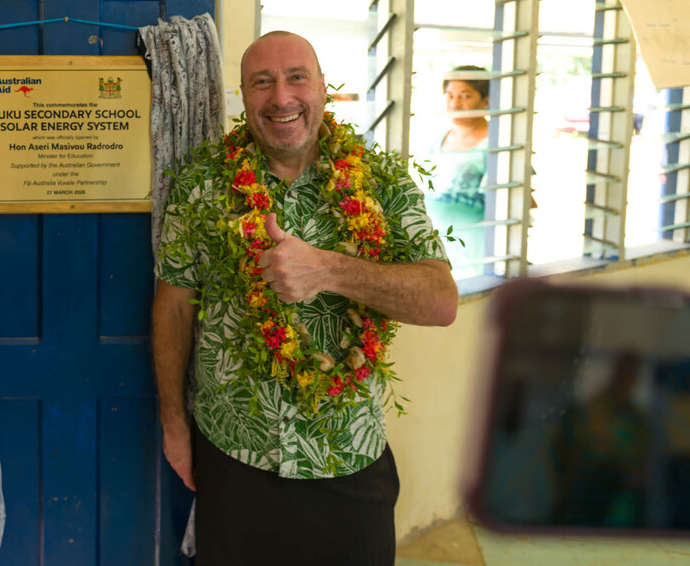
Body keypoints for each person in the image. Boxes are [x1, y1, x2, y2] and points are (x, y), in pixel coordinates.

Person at [153, 31, 458, 565]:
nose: (281, 97)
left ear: (323, 88)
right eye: (261, 82)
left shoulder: (383, 183)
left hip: (347, 459)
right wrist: (174, 425)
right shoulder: (200, 185)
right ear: (243, 97)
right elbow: (174, 306)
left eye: (297, 77)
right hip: (232, 457)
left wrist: (331, 270)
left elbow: (440, 302)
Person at [425, 66, 491, 278]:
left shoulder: (497, 144)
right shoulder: (440, 140)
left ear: (486, 101)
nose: (455, 104)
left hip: (476, 252)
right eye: (450, 96)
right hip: (439, 249)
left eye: (466, 96)